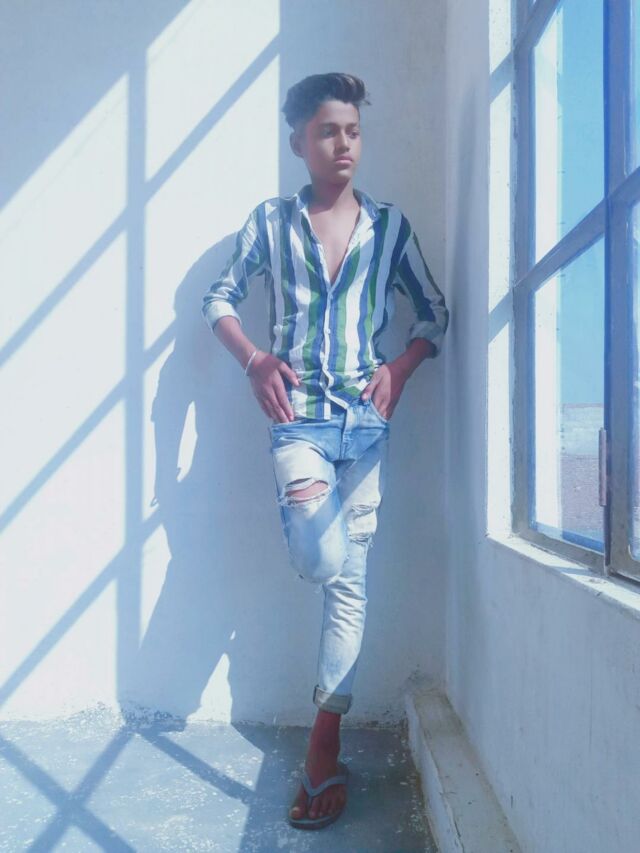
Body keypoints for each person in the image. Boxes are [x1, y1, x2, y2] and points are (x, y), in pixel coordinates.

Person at [201, 72, 449, 831]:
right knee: (322, 561)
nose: (343, 144)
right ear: (298, 143)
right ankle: (322, 738)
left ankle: (322, 744)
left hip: (367, 428)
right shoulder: (271, 223)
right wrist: (255, 361)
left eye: (353, 131)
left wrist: (401, 367)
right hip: (299, 422)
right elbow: (219, 298)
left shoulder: (390, 228)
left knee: (349, 589)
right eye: (327, 131)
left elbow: (434, 313)